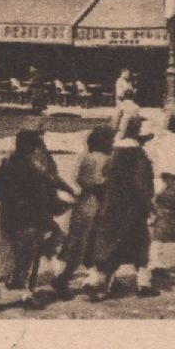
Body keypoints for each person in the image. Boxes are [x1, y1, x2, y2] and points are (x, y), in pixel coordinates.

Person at [0, 129, 60, 310]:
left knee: (9, 255)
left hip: (8, 218)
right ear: (31, 148)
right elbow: (43, 193)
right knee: (31, 257)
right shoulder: (33, 169)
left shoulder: (6, 165)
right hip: (29, 219)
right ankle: (27, 294)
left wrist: (10, 200)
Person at [89, 114, 156, 299]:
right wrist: (149, 204)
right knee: (140, 242)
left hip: (112, 205)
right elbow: (143, 184)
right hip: (133, 206)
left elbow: (103, 178)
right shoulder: (139, 156)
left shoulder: (114, 153)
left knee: (110, 244)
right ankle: (143, 282)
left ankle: (103, 283)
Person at [51, 125, 114, 298]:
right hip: (98, 205)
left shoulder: (85, 157)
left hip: (82, 204)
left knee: (77, 247)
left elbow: (79, 179)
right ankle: (96, 283)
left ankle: (64, 278)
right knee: (97, 246)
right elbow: (102, 182)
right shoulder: (106, 159)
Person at [145, 106, 175, 293]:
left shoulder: (160, 140)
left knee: (159, 220)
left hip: (160, 181)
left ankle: (155, 258)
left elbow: (152, 157)